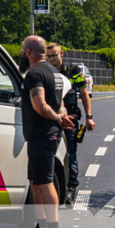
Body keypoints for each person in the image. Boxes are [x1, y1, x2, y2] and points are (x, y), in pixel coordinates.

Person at [19, 35, 74, 228]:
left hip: (42, 134)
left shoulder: (34, 74)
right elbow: (59, 103)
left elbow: (40, 105)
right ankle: (41, 227)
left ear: (28, 52)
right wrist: (61, 116)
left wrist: (59, 118)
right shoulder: (55, 74)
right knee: (35, 182)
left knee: (45, 182)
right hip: (43, 134)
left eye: (23, 50)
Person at [45, 43, 95, 204]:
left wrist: (89, 116)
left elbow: (84, 93)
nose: (52, 59)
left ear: (62, 54)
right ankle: (55, 187)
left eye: (55, 55)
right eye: (49, 56)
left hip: (71, 119)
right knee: (50, 153)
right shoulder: (46, 72)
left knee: (70, 154)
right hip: (52, 118)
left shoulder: (73, 71)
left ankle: (71, 189)